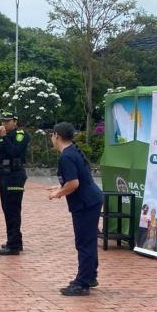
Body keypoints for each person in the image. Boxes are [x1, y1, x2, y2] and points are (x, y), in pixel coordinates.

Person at [48, 122, 103, 296]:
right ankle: (90, 276)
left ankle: (82, 283)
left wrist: (59, 193)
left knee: (84, 242)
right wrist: (58, 188)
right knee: (89, 240)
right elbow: (74, 179)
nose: (51, 139)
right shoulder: (72, 152)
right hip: (90, 200)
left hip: (85, 203)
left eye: (52, 135)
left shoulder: (66, 156)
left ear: (56, 136)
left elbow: (73, 183)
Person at [0, 113, 30, 255]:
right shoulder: (1, 136)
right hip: (4, 176)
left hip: (15, 175)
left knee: (13, 211)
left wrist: (4, 136)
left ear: (15, 121)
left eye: (8, 121)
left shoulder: (20, 134)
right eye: (3, 121)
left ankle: (13, 246)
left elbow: (15, 152)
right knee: (7, 210)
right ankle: (15, 241)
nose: (4, 123)